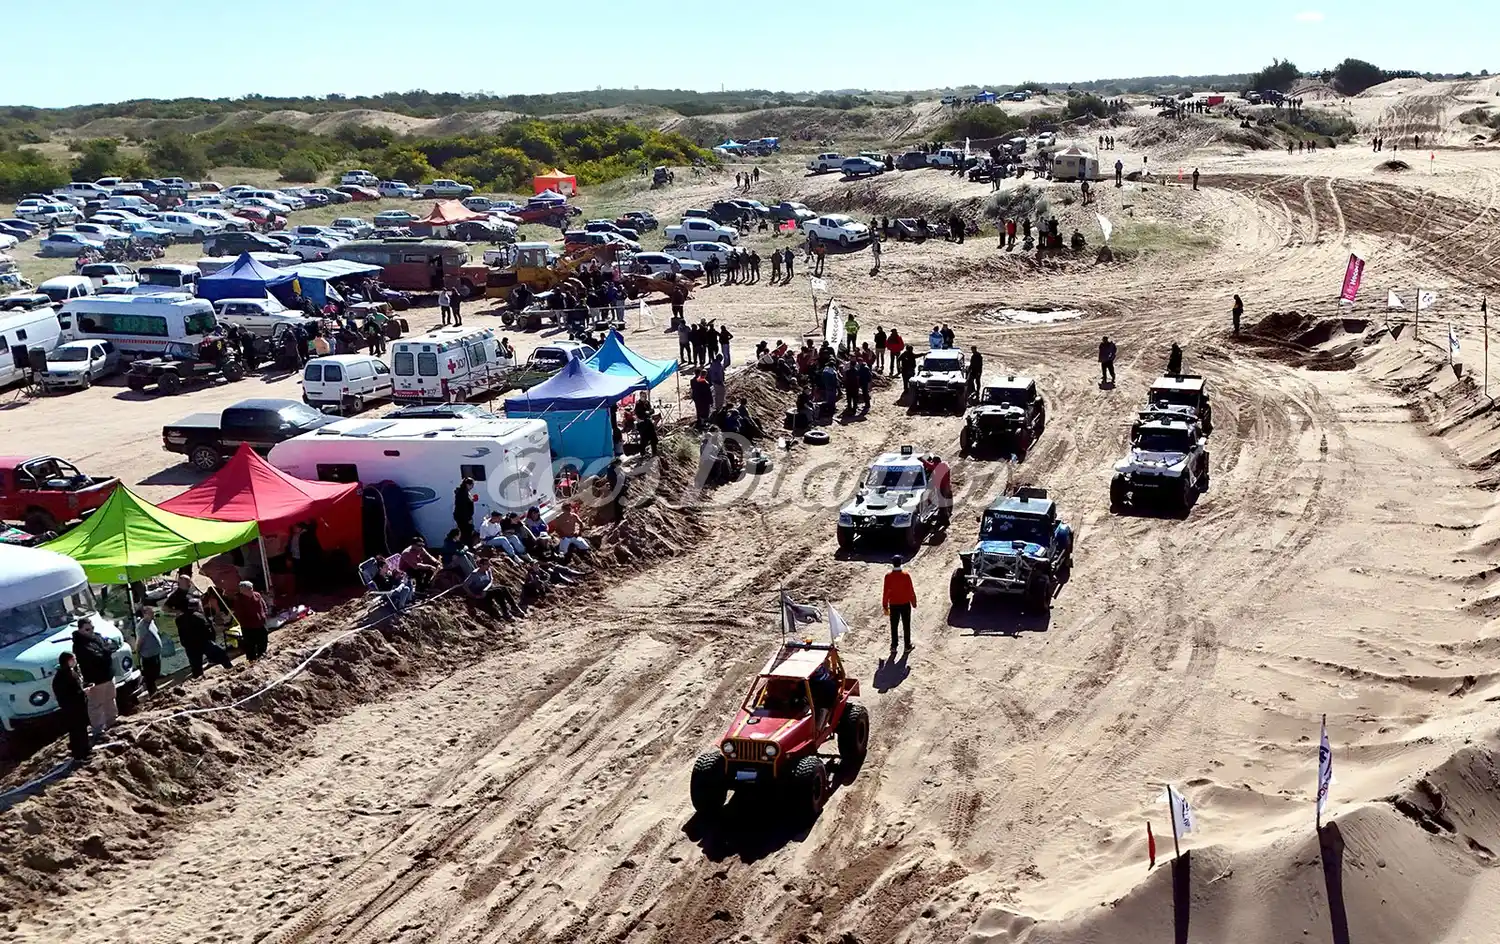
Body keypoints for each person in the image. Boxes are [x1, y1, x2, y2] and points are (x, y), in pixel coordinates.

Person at [72, 617, 118, 735]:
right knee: (96, 705)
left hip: (108, 675)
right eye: (87, 629)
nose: (91, 631)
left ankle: (113, 722)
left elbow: (113, 644)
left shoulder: (97, 636)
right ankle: (98, 729)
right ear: (80, 630)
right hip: (95, 679)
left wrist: (105, 650)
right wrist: (106, 651)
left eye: (92, 628)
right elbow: (96, 657)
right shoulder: (79, 645)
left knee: (110, 699)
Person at [177, 599, 233, 678]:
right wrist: (212, 639)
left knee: (196, 666)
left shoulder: (179, 619)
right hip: (203, 643)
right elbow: (209, 630)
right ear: (198, 606)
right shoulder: (199, 616)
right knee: (222, 655)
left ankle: (197, 680)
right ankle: (231, 670)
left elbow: (181, 633)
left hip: (189, 645)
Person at [52, 652, 91, 762]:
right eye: (73, 659)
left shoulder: (62, 675)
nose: (75, 661)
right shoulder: (67, 676)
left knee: (76, 730)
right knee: (79, 731)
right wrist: (84, 692)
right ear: (68, 661)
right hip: (74, 708)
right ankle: (82, 754)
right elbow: (73, 693)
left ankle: (82, 751)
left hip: (69, 708)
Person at [882, 556, 917, 652]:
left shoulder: (888, 576)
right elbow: (910, 590)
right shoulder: (906, 575)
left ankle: (894, 646)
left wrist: (885, 604)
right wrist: (913, 602)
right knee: (906, 625)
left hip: (893, 604)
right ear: (901, 563)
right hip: (905, 604)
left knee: (894, 625)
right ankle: (907, 646)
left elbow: (886, 591)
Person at [232, 580, 270, 661]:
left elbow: (263, 604)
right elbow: (239, 614)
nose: (251, 590)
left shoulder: (257, 595)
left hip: (260, 623)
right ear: (243, 591)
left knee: (263, 640)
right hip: (248, 627)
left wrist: (265, 614)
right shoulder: (239, 600)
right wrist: (246, 623)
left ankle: (262, 655)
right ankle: (251, 660)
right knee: (250, 645)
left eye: (251, 588)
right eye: (249, 589)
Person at [135, 605, 163, 696]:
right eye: (151, 613)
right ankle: (152, 693)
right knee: (150, 676)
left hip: (156, 653)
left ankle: (155, 689)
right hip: (148, 656)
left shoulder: (152, 622)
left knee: (156, 673)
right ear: (144, 614)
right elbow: (139, 642)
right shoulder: (142, 627)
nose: (153, 615)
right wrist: (138, 655)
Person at [453, 477, 477, 545]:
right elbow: (463, 507)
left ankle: (467, 545)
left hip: (464, 516)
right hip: (463, 517)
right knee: (466, 533)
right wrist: (468, 518)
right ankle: (466, 546)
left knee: (467, 532)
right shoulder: (462, 494)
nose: (472, 486)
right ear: (467, 484)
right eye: (472, 485)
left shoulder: (466, 492)